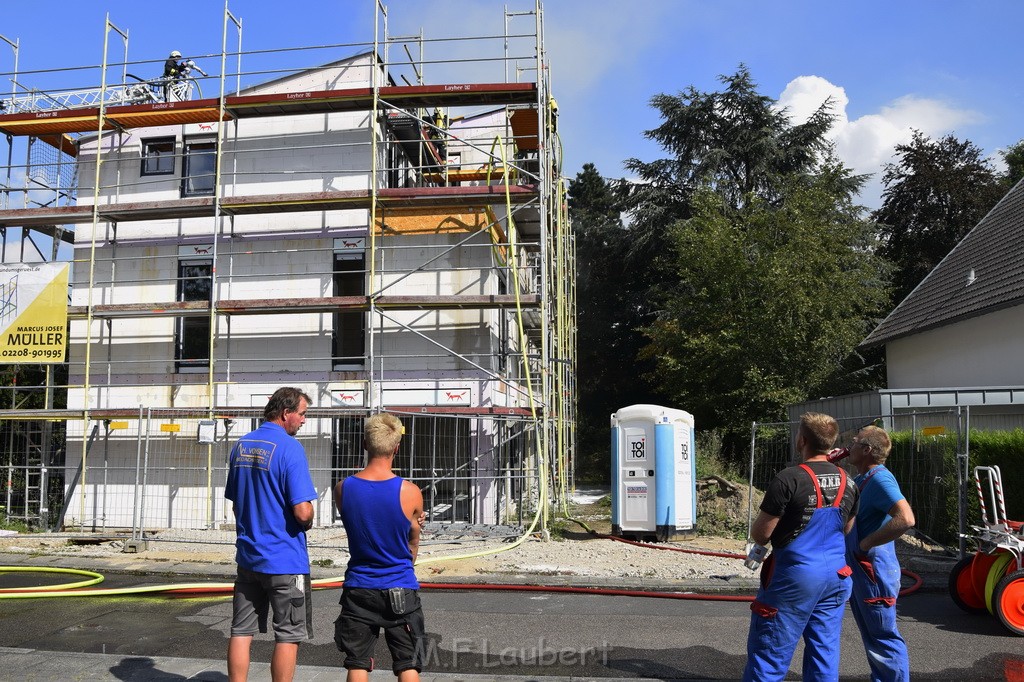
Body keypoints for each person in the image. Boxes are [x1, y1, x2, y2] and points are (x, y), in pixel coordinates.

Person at [742, 412, 860, 682]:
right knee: (824, 654)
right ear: (830, 442)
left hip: (796, 579)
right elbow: (846, 528)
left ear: (802, 440)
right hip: (837, 577)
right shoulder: (849, 480)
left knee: (769, 654)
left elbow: (761, 533)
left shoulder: (789, 479)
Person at [224, 387, 317, 682]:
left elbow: (237, 501)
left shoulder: (241, 445)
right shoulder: (290, 449)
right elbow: (302, 511)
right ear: (286, 412)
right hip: (284, 558)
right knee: (288, 634)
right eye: (302, 414)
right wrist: (310, 518)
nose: (303, 421)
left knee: (241, 630)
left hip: (249, 556)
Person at [334, 412, 425, 682]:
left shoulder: (344, 488)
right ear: (397, 447)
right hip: (400, 585)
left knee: (357, 663)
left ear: (365, 444)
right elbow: (413, 538)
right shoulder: (410, 491)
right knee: (408, 663)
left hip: (359, 585)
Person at [845, 424, 915, 682]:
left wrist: (865, 545)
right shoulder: (863, 479)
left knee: (884, 640)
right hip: (864, 572)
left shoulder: (880, 479)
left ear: (867, 450)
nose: (849, 445)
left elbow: (906, 518)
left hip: (874, 573)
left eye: (855, 441)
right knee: (874, 640)